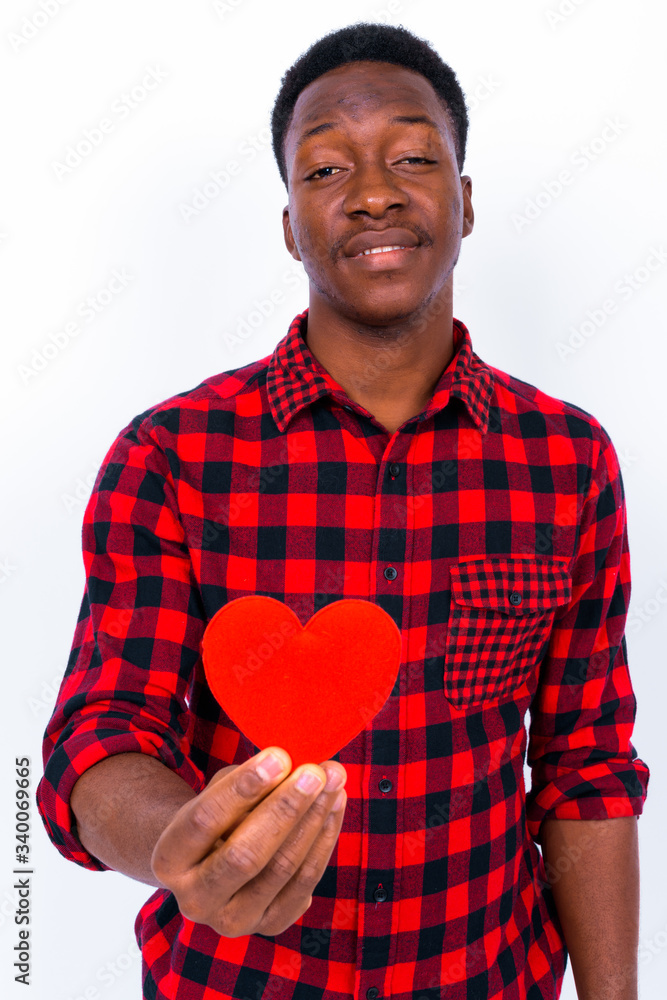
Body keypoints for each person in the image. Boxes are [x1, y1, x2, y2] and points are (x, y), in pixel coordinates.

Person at [36, 21, 650, 1000]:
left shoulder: (567, 460)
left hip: (490, 977)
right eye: (325, 170)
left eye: (412, 157)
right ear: (289, 225)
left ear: (465, 201)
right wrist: (177, 842)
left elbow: (587, 765)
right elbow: (102, 728)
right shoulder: (171, 455)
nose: (372, 192)